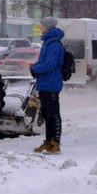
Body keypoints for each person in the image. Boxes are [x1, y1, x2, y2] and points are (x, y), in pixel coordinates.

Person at [30, 17, 66, 154]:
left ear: (48, 27)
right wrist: (36, 66)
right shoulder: (47, 41)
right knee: (46, 114)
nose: (40, 27)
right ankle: (48, 142)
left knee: (53, 115)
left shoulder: (54, 43)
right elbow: (45, 62)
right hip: (45, 83)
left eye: (42, 25)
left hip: (51, 83)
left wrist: (35, 69)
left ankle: (55, 143)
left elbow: (50, 64)